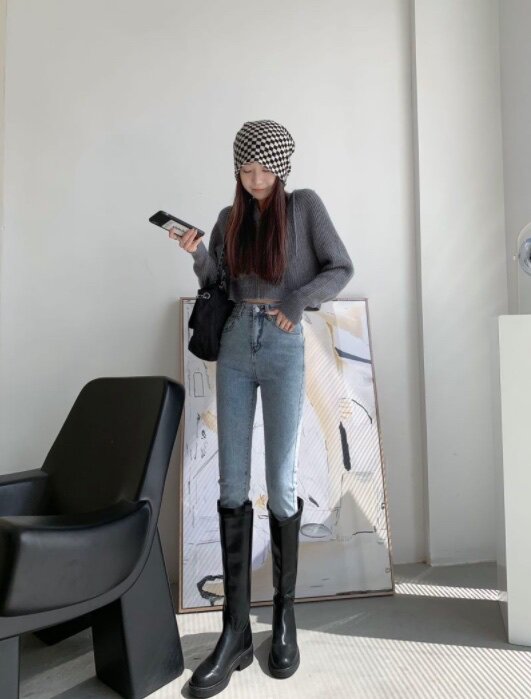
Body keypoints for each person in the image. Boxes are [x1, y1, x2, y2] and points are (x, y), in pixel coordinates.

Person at [170, 119, 354, 697]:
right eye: (246, 169)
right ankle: (235, 633)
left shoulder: (304, 208)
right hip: (234, 345)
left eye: (264, 169)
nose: (254, 180)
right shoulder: (229, 217)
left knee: (281, 480)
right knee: (231, 482)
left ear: (282, 167)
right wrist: (198, 253)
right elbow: (219, 283)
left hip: (282, 345)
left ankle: (283, 617)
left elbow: (340, 266)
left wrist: (297, 302)